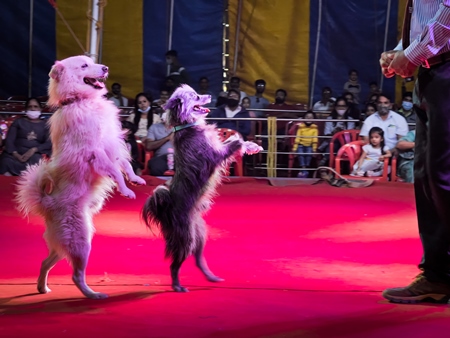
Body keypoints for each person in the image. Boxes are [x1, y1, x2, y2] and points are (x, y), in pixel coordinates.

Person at [380, 0, 450, 303]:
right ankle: (437, 275)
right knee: (426, 176)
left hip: (446, 70)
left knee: (444, 176)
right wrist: (400, 52)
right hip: (430, 74)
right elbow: (423, 20)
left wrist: (407, 56)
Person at [0, 97, 52, 176]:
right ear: (26, 109)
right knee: (4, 161)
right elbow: (9, 141)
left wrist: (34, 150)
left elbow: (48, 143)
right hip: (14, 154)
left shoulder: (45, 125)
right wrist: (16, 154)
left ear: (40, 109)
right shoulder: (18, 122)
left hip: (34, 155)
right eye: (30, 107)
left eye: (35, 106)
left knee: (37, 161)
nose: (33, 109)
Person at [292, 111, 318, 178]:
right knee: (300, 154)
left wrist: (314, 149)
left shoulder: (315, 128)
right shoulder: (301, 127)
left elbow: (315, 139)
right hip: (301, 145)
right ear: (303, 118)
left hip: (309, 145)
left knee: (309, 155)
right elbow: (297, 138)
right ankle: (303, 169)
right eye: (307, 117)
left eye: (311, 117)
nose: (309, 119)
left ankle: (305, 168)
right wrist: (294, 148)